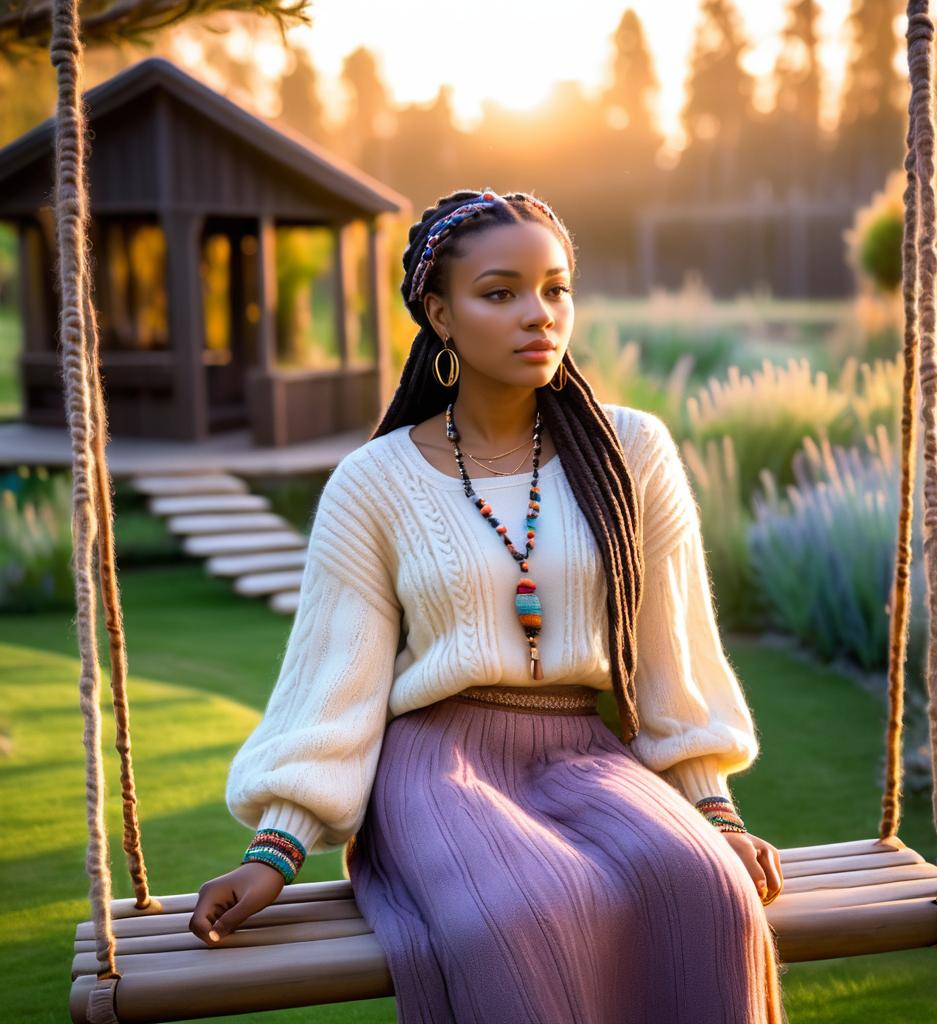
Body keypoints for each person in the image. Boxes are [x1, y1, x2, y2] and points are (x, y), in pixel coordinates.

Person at [189, 188, 788, 1023]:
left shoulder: (634, 454)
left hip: (589, 753)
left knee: (712, 896)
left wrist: (713, 810)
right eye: (501, 292)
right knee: (519, 916)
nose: (539, 314)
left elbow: (671, 650)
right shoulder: (374, 483)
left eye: (557, 288)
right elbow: (336, 681)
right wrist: (275, 848)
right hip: (439, 766)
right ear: (439, 313)